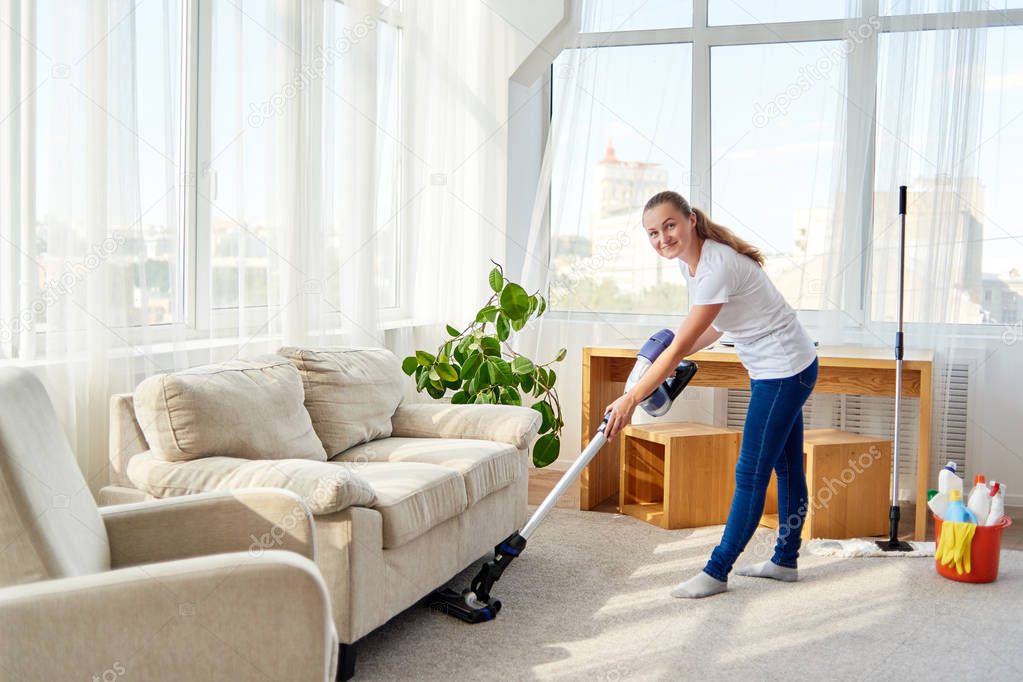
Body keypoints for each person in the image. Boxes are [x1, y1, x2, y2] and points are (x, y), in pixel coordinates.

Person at [603, 190, 819, 599]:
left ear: (690, 221)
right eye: (653, 233)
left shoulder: (716, 264)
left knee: (750, 473)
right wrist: (670, 361)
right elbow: (717, 326)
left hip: (785, 370)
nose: (663, 237)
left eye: (669, 225)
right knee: (787, 468)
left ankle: (717, 571)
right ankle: (785, 560)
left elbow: (679, 345)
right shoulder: (694, 265)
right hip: (782, 367)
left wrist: (631, 398)